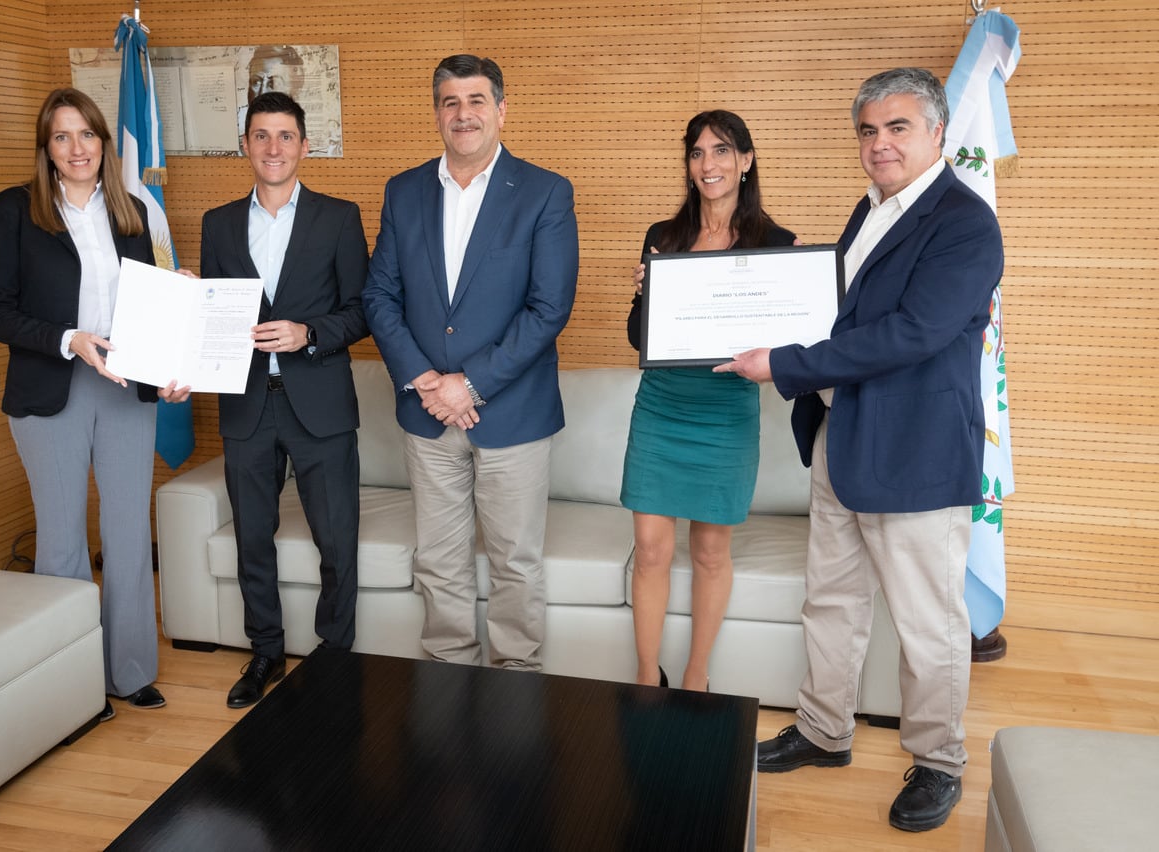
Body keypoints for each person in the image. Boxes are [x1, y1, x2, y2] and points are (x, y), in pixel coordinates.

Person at [717, 67, 1004, 832]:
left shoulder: (964, 223)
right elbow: (835, 312)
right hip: (842, 437)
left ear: (938, 132)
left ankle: (940, 760)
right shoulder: (871, 207)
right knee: (833, 601)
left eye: (898, 127)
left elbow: (912, 333)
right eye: (869, 131)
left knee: (926, 622)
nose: (880, 144)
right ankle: (823, 729)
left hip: (912, 450)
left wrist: (784, 362)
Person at [0, 87, 191, 721]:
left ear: (103, 141)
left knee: (128, 533)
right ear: (46, 148)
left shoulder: (137, 208)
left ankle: (129, 672)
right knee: (62, 538)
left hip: (127, 385)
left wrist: (178, 308)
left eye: (88, 135)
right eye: (62, 137)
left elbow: (159, 295)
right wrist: (69, 339)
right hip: (52, 388)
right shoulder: (15, 210)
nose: (78, 149)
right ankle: (70, 688)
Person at [363, 54, 578, 670]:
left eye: (477, 100)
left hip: (510, 413)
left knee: (514, 561)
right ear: (436, 113)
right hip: (426, 411)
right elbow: (380, 295)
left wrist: (471, 384)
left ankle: (515, 684)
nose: (464, 114)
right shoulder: (403, 192)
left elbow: (548, 307)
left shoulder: (544, 192)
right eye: (450, 102)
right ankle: (450, 676)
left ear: (501, 110)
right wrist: (428, 380)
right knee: (438, 558)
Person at [201, 91, 369, 709]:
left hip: (319, 401)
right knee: (252, 538)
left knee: (336, 539)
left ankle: (335, 655)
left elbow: (361, 312)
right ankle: (265, 654)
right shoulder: (217, 224)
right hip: (247, 404)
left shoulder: (339, 217)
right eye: (261, 136)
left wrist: (309, 334)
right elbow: (214, 316)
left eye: (286, 136)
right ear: (245, 144)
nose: (274, 148)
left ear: (304, 144)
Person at [623, 110, 797, 692]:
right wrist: (647, 299)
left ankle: (696, 678)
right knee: (649, 549)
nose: (708, 165)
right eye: (697, 153)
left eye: (721, 151)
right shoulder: (663, 237)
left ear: (746, 161)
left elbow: (791, 342)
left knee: (710, 552)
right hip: (663, 406)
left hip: (726, 412)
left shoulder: (777, 245)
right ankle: (649, 677)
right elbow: (637, 339)